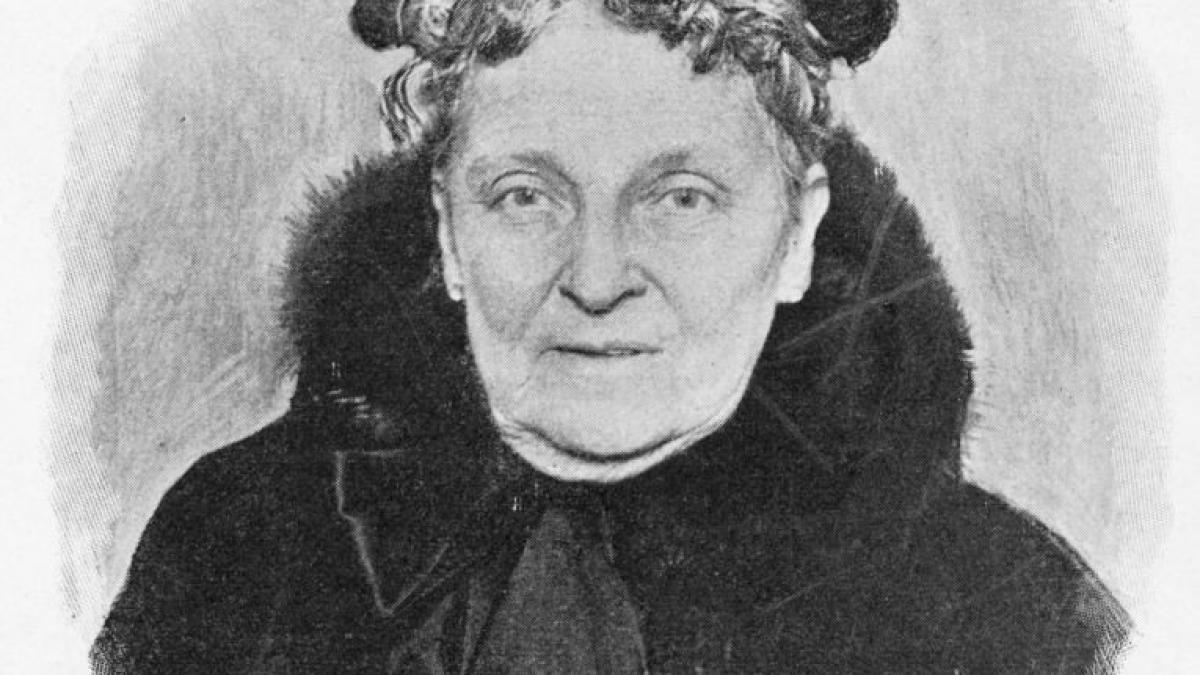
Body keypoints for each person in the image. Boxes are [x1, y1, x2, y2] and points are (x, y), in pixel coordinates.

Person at [91, 0, 1130, 671]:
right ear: (447, 234)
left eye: (680, 198)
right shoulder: (239, 552)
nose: (595, 279)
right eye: (525, 196)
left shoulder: (1004, 604)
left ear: (800, 234)